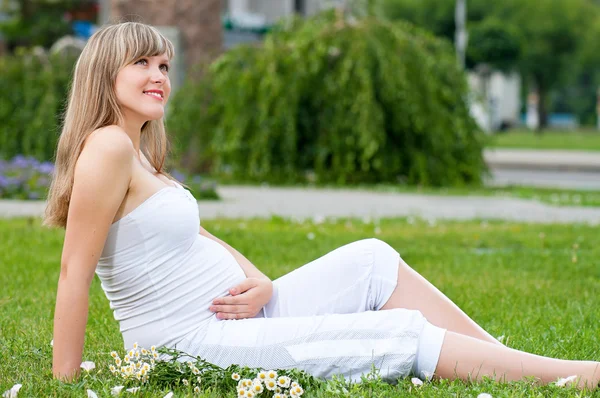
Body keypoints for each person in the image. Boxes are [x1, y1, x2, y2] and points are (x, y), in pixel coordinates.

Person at [45, 22, 599, 390]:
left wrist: (260, 280)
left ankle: (511, 365)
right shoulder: (109, 148)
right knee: (397, 332)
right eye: (142, 63)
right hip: (192, 344)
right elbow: (75, 269)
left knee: (372, 259)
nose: (159, 77)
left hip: (234, 316)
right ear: (104, 73)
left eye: (164, 66)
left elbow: (197, 238)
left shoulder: (136, 149)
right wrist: (64, 381)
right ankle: (571, 377)